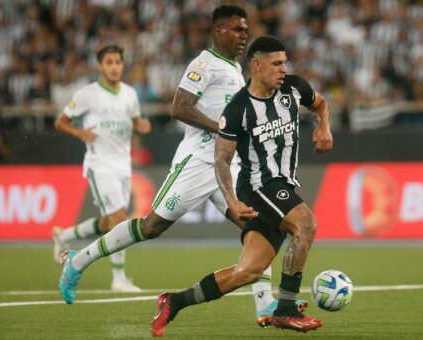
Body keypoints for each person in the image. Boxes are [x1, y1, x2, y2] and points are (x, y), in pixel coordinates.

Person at [58, 5, 305, 325]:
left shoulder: (234, 69)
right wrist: (221, 129)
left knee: (255, 225)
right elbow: (180, 106)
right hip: (198, 161)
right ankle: (77, 261)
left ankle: (264, 304)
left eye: (246, 30)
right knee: (151, 227)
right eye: (237, 30)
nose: (244, 35)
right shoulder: (205, 63)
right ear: (219, 32)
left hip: (226, 165)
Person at [150, 36, 333, 336]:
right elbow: (221, 160)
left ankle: (174, 302)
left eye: (285, 62)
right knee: (306, 225)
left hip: (282, 184)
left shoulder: (294, 88)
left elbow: (321, 103)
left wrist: (323, 125)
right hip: (259, 186)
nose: (283, 69)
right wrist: (232, 200)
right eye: (276, 63)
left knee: (247, 272)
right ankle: (285, 310)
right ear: (257, 66)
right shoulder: (238, 109)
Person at [54, 44, 151, 292]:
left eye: (118, 62)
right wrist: (79, 132)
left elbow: (133, 122)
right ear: (100, 66)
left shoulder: (130, 94)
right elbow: (61, 122)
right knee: (120, 220)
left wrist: (140, 126)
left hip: (123, 165)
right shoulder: (87, 94)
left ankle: (66, 236)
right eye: (109, 62)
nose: (114, 67)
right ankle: (118, 279)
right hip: (100, 164)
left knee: (110, 222)